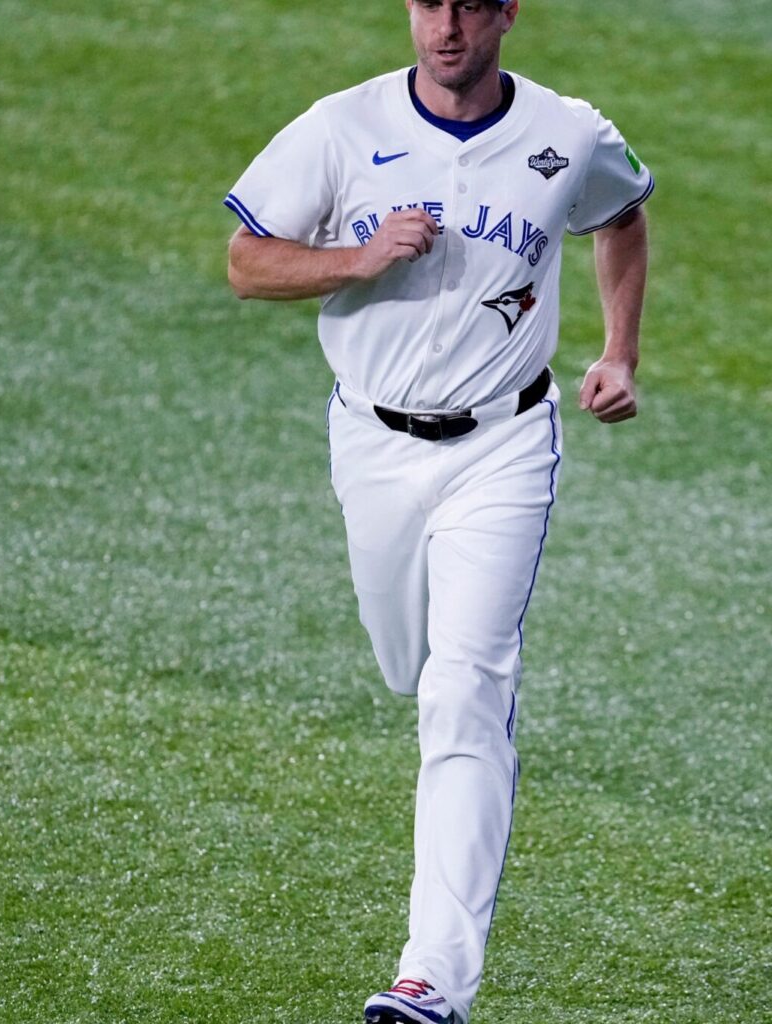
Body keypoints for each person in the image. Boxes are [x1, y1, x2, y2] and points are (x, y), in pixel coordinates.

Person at [223, 1, 651, 1020]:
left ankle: (433, 979)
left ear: (507, 13)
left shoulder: (567, 133)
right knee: (404, 664)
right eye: (428, 3)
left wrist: (619, 350)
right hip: (372, 442)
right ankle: (439, 702)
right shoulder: (343, 128)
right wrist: (354, 259)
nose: (446, 26)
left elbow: (623, 211)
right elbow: (246, 262)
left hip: (505, 443)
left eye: (468, 3)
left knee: (464, 692)